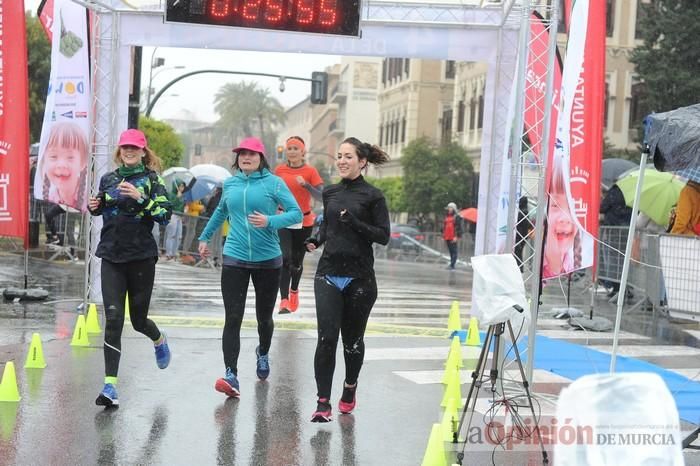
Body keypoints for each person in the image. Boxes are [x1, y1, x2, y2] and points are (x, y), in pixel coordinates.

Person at [197, 137, 301, 399]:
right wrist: (204, 237)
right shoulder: (230, 184)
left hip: (268, 260)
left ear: (261, 157)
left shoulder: (273, 183)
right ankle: (231, 374)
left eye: (252, 154)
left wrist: (270, 221)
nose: (246, 157)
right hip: (234, 256)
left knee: (264, 319)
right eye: (242, 153)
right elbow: (221, 213)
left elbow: (295, 213)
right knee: (233, 318)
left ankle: (262, 352)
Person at [304, 137, 390, 422]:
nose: (341, 161)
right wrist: (315, 240)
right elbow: (328, 227)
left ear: (362, 162)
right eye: (339, 156)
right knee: (327, 338)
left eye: (348, 156)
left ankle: (350, 387)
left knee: (352, 342)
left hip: (360, 279)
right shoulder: (330, 192)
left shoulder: (373, 196)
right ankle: (322, 403)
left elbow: (383, 236)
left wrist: (354, 223)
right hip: (328, 273)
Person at [87, 128, 172, 408]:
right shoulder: (109, 178)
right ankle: (110, 385)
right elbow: (102, 205)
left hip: (140, 258)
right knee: (113, 320)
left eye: (135, 148)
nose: (129, 151)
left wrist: (140, 197)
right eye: (125, 147)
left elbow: (164, 216)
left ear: (144, 151)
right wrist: (94, 206)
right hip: (112, 255)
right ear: (120, 151)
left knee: (138, 321)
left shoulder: (153, 180)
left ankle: (158, 339)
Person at [274, 136, 324, 314]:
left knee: (296, 262)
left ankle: (294, 290)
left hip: (304, 221)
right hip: (283, 219)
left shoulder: (310, 171)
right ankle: (284, 300)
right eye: (290, 148)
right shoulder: (279, 170)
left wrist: (307, 185)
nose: (292, 151)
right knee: (284, 258)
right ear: (286, 151)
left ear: (303, 152)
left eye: (296, 148)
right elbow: (270, 192)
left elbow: (321, 196)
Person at [36, 121, 89, 212]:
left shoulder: (89, 198)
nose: (61, 165)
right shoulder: (49, 198)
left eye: (70, 157)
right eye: (53, 156)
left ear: (83, 162)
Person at [599, 184, 633, 295]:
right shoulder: (632, 192)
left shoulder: (613, 191)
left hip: (613, 230)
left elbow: (602, 208)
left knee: (612, 260)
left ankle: (616, 286)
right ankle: (626, 286)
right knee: (625, 259)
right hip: (627, 231)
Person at [164, 179, 186, 260]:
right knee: (171, 235)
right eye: (180, 186)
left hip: (179, 217)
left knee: (179, 236)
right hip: (172, 215)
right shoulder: (171, 194)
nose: (182, 188)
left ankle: (174, 253)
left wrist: (183, 213)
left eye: (183, 186)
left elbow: (181, 207)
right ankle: (168, 253)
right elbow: (170, 204)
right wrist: (177, 198)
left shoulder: (182, 195)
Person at [442, 202, 463, 270]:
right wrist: (443, 235)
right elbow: (444, 227)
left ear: (453, 209)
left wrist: (456, 237)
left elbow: (458, 228)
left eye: (450, 208)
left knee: (454, 251)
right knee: (450, 251)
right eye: (448, 208)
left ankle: (452, 265)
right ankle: (451, 264)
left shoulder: (456, 217)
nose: (449, 209)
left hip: (453, 236)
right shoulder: (447, 216)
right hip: (447, 236)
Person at [515, 196, 534, 271]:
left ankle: (519, 268)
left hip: (519, 236)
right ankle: (519, 268)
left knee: (518, 253)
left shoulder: (521, 213)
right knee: (519, 252)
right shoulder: (526, 212)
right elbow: (529, 225)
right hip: (523, 235)